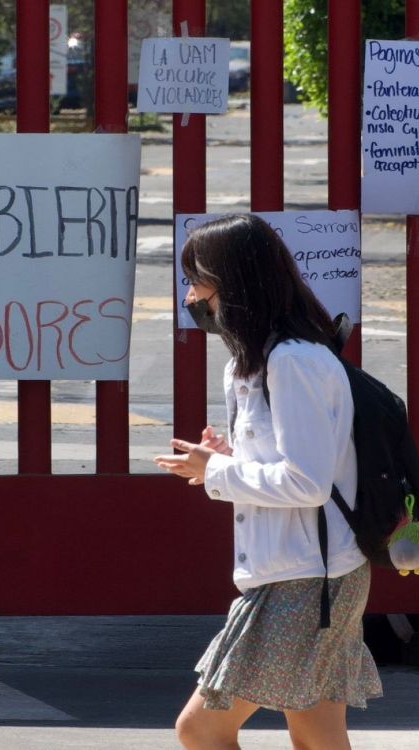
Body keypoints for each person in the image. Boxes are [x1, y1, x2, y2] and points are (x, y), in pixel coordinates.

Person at [154, 214, 380, 750]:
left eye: (197, 281)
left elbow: (306, 483)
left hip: (305, 579)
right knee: (317, 733)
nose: (190, 296)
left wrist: (217, 471)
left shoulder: (292, 361)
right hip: (308, 571)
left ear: (233, 283)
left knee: (201, 729)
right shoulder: (255, 363)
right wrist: (230, 456)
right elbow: (293, 460)